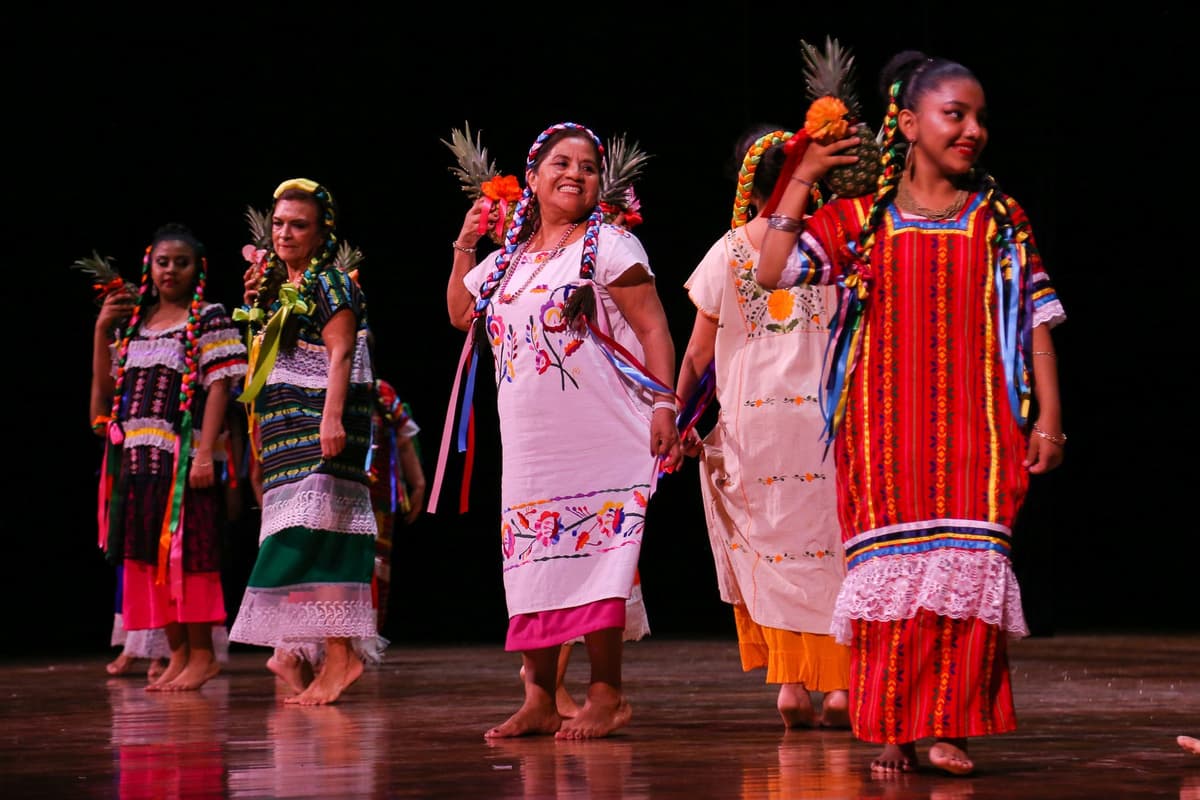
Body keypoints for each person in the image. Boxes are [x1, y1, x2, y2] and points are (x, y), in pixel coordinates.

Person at [754, 51, 1066, 775]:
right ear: (908, 123)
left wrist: (1048, 417)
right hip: (883, 427)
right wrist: (803, 174)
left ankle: (948, 727)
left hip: (981, 426)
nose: (973, 130)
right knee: (893, 578)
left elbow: (1035, 322)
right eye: (955, 114)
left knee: (968, 575)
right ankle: (893, 726)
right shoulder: (860, 219)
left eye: (979, 117)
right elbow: (771, 270)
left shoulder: (997, 218)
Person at [444, 121, 682, 740]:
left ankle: (606, 694)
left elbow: (655, 330)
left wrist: (664, 407)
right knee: (533, 559)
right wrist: (464, 244)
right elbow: (459, 313)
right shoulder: (507, 263)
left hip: (599, 432)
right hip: (531, 441)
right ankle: (540, 698)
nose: (575, 172)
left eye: (588, 166)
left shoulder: (608, 248)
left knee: (603, 555)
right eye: (561, 162)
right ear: (533, 178)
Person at [675, 124, 851, 730]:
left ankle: (793, 683)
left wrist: (680, 418)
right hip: (826, 421)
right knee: (829, 545)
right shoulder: (832, 247)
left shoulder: (728, 250)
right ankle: (839, 687)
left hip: (754, 425)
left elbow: (698, 355)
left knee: (770, 546)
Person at [229, 178, 380, 706]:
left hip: (321, 423)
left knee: (322, 536)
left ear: (321, 235)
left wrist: (332, 419)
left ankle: (341, 656)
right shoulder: (275, 288)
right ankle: (302, 652)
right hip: (283, 433)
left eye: (299, 225)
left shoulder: (333, 284)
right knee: (303, 536)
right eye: (279, 224)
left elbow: (341, 353)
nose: (285, 233)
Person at [90, 222, 246, 692]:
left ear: (197, 267)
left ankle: (203, 655)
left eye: (181, 261)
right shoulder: (136, 322)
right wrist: (102, 329)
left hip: (183, 462)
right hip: (138, 464)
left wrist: (203, 454)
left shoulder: (208, 318)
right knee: (148, 561)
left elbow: (219, 386)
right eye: (163, 262)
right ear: (149, 266)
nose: (171, 270)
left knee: (190, 558)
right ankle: (177, 654)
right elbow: (104, 395)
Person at [367, 370, 426, 634]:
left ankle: (368, 638)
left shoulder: (381, 392)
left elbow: (404, 440)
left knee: (377, 566)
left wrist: (419, 483)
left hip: (378, 498)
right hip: (339, 493)